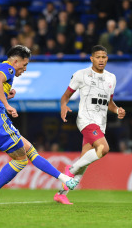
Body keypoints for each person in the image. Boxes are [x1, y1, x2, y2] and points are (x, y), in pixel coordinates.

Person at [0, 45, 78, 207]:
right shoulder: (8, 69)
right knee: (21, 161)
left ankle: (64, 179)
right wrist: (6, 105)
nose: (24, 69)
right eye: (24, 65)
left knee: (30, 150)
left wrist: (5, 97)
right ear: (15, 62)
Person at [54, 45, 126, 204]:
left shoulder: (111, 78)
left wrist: (117, 110)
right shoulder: (81, 75)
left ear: (107, 59)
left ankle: (61, 194)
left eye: (104, 57)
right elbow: (65, 96)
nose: (101, 60)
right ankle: (69, 170)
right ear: (91, 58)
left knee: (83, 163)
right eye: (98, 57)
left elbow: (109, 103)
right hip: (86, 120)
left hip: (100, 124)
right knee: (103, 148)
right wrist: (63, 106)